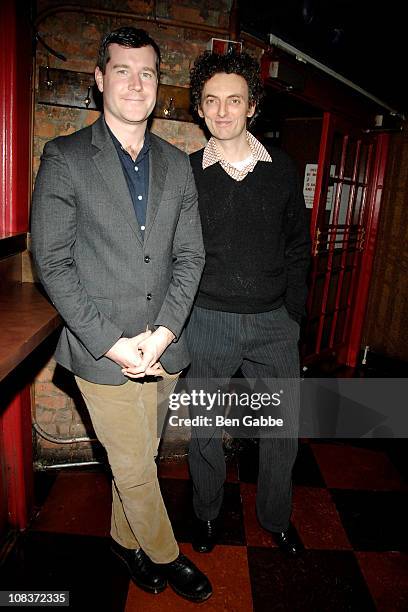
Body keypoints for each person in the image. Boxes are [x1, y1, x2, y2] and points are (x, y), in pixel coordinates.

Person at [31, 27, 212, 603]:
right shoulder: (63, 158)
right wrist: (114, 343)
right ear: (100, 79)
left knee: (143, 454)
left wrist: (162, 335)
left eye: (148, 73)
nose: (136, 83)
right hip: (99, 347)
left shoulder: (178, 165)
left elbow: (191, 255)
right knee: (134, 463)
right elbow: (53, 263)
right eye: (124, 70)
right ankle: (165, 553)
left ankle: (120, 538)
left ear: (158, 86)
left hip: (165, 346)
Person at [185, 50, 311, 555]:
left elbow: (299, 246)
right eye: (211, 101)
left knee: (283, 431)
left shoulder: (282, 169)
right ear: (199, 107)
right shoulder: (186, 171)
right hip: (207, 321)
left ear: (252, 106)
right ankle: (207, 514)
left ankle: (276, 517)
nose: (222, 111)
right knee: (204, 431)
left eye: (233, 100)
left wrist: (294, 315)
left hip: (273, 323)